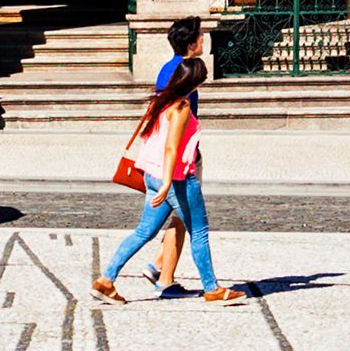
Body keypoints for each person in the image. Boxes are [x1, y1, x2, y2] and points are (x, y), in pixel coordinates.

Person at [93, 57, 245, 306]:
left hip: (151, 174)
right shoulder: (181, 107)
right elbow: (171, 148)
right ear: (194, 82)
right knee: (199, 232)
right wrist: (166, 184)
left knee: (143, 232)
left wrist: (159, 182)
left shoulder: (160, 101)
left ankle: (106, 281)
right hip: (176, 179)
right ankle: (212, 289)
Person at [142, 18, 208, 292]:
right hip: (180, 158)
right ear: (191, 44)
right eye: (201, 38)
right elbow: (180, 124)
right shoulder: (184, 75)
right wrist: (187, 161)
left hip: (166, 156)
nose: (204, 41)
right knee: (185, 218)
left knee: (173, 217)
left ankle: (157, 265)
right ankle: (165, 278)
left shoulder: (165, 69)